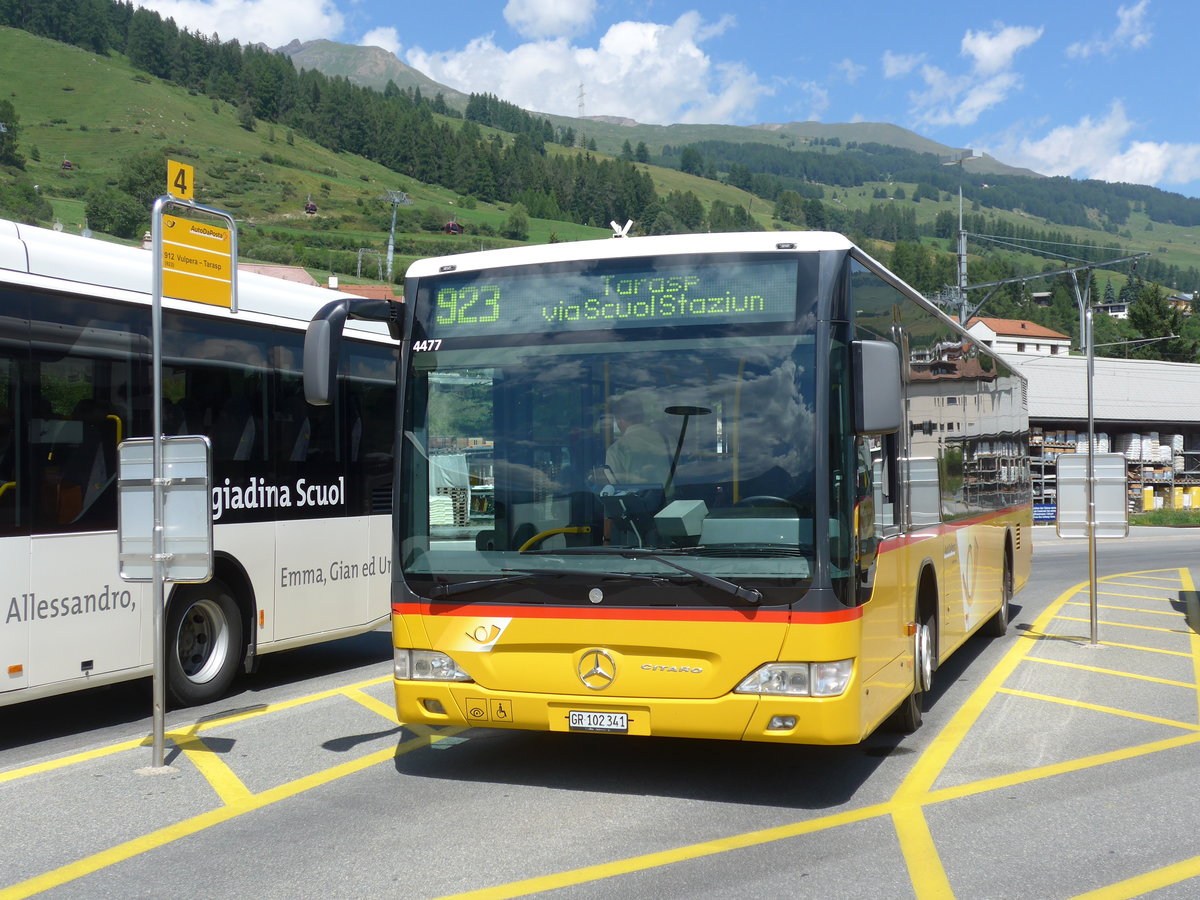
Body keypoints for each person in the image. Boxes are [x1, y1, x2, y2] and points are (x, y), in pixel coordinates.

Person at [604, 395, 671, 486]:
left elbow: (613, 487)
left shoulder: (616, 449)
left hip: (634, 500)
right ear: (642, 416)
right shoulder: (667, 440)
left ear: (618, 419)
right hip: (674, 499)